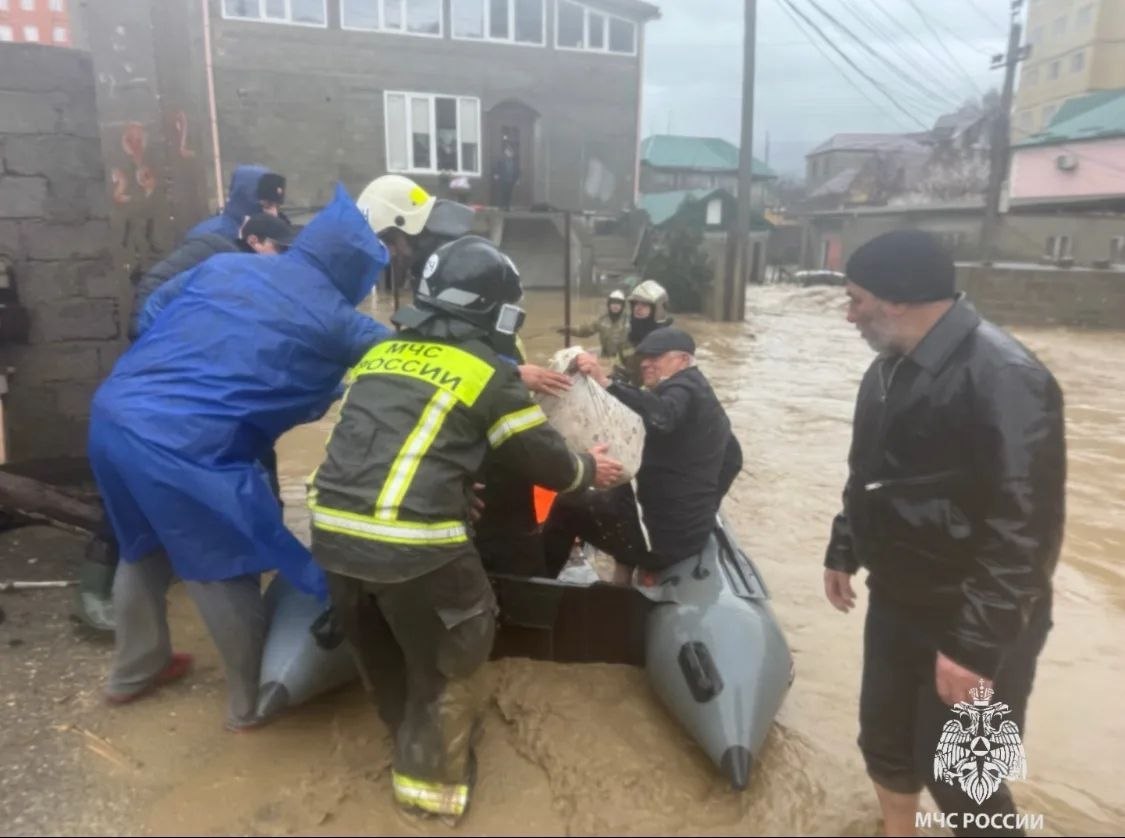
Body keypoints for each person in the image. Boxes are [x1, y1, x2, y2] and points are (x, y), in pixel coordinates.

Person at [308, 235, 624, 823]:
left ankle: (401, 738)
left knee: (382, 651)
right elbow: (545, 461)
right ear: (497, 313)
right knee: (459, 645)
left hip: (331, 535)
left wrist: (454, 489)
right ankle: (431, 794)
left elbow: (378, 448)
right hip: (414, 548)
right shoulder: (487, 372)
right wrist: (590, 470)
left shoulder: (377, 356)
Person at [88, 184, 391, 731]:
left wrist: (188, 356)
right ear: (355, 272)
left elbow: (157, 303)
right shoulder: (339, 320)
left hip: (114, 414)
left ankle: (135, 672)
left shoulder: (228, 267)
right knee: (225, 566)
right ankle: (250, 703)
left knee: (143, 549)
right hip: (184, 447)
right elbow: (415, 359)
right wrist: (511, 371)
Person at [822, 230, 1065, 837]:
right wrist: (844, 547)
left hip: (980, 616)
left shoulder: (1007, 377)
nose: (848, 314)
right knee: (883, 736)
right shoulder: (886, 369)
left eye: (855, 299)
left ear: (898, 298)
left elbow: (1027, 530)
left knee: (964, 775)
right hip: (898, 598)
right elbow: (868, 474)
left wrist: (976, 646)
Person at [543, 326, 743, 584]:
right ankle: (625, 576)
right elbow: (733, 459)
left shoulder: (682, 388)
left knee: (567, 506)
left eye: (657, 357)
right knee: (619, 493)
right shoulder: (705, 396)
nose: (647, 364)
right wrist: (706, 507)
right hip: (691, 531)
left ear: (683, 360)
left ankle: (537, 587)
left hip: (661, 540)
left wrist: (605, 383)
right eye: (645, 357)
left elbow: (663, 416)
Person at [130, 213, 297, 340]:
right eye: (279, 249)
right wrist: (145, 334)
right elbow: (156, 280)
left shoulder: (244, 268)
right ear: (254, 241)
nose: (282, 256)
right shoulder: (213, 252)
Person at [356, 174, 475, 295]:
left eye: (387, 240)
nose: (388, 254)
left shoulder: (456, 268)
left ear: (407, 225)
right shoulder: (425, 263)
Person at [185, 164, 287, 243]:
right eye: (267, 205)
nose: (274, 214)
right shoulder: (207, 237)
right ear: (246, 201)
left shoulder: (274, 237)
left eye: (277, 206)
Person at [615, 279, 673, 386]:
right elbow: (620, 373)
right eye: (635, 304)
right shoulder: (627, 341)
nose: (638, 308)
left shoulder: (672, 344)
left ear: (658, 310)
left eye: (645, 305)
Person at [557, 288, 630, 358]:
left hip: (624, 356)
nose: (615, 305)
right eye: (613, 303)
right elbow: (585, 330)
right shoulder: (602, 320)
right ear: (609, 305)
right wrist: (568, 330)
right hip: (606, 354)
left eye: (618, 303)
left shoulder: (629, 320)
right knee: (582, 355)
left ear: (622, 305)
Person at [493, 143, 520, 211]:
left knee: (509, 194)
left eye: (511, 152)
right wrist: (496, 174)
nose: (509, 154)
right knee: (502, 193)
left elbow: (517, 171)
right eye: (508, 152)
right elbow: (496, 168)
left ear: (512, 154)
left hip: (511, 180)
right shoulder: (501, 160)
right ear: (505, 153)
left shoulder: (514, 162)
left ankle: (507, 207)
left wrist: (517, 179)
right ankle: (500, 207)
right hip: (502, 180)